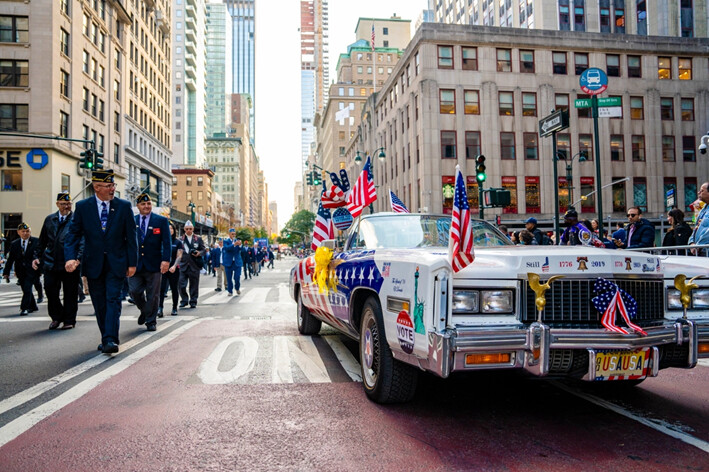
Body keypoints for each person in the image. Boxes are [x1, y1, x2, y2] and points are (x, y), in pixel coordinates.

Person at [65, 169, 138, 354]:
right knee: (99, 302)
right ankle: (106, 335)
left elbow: (131, 237)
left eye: (113, 185)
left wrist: (132, 263)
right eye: (108, 186)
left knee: (113, 299)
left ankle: (110, 339)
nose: (113, 189)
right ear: (97, 187)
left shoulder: (123, 206)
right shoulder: (83, 207)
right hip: (93, 263)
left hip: (117, 263)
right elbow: (73, 234)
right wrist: (70, 258)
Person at [34, 192, 81, 329]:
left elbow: (82, 241)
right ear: (57, 204)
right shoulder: (50, 219)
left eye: (68, 204)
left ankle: (69, 320)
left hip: (69, 263)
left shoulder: (76, 220)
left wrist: (77, 259)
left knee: (70, 293)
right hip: (51, 262)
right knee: (50, 289)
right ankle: (56, 317)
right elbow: (42, 241)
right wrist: (36, 257)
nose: (66, 206)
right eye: (63, 204)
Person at [128, 193, 170, 332]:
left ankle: (151, 321)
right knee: (134, 291)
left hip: (154, 264)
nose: (146, 206)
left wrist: (165, 260)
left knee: (153, 294)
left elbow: (167, 243)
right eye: (143, 204)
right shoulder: (131, 221)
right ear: (138, 206)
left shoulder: (161, 221)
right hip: (136, 264)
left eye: (149, 204)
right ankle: (145, 311)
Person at [3, 223, 40, 316]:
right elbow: (11, 259)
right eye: (23, 231)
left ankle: (24, 308)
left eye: (27, 231)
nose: (25, 233)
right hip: (20, 271)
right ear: (18, 232)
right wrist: (6, 272)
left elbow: (39, 255)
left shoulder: (36, 241)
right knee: (25, 289)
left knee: (27, 288)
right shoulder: (14, 244)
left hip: (32, 270)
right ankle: (33, 306)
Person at [178, 220, 205, 308]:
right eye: (187, 229)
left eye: (190, 229)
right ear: (184, 229)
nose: (188, 230)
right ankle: (184, 300)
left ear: (193, 229)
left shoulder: (198, 239)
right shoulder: (180, 239)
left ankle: (193, 300)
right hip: (183, 265)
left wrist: (199, 253)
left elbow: (204, 250)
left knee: (194, 285)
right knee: (181, 284)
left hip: (194, 265)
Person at [159, 222, 183, 316]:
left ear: (174, 230)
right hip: (162, 268)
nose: (170, 230)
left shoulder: (178, 242)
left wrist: (174, 266)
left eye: (171, 228)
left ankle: (174, 308)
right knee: (161, 289)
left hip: (173, 269)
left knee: (174, 288)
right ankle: (160, 308)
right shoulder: (161, 241)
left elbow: (179, 256)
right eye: (168, 228)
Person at [689, 181, 709, 255]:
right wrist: (692, 242)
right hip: (700, 251)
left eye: (702, 191)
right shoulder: (703, 209)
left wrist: (699, 244)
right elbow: (696, 228)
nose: (698, 192)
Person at [222, 230, 243, 296]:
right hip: (228, 262)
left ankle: (237, 288)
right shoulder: (226, 241)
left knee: (237, 277)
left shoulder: (237, 240)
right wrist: (234, 244)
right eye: (232, 234)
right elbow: (226, 248)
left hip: (237, 262)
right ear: (229, 234)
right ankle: (230, 291)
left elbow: (241, 250)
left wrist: (240, 245)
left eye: (234, 234)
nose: (234, 235)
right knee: (229, 278)